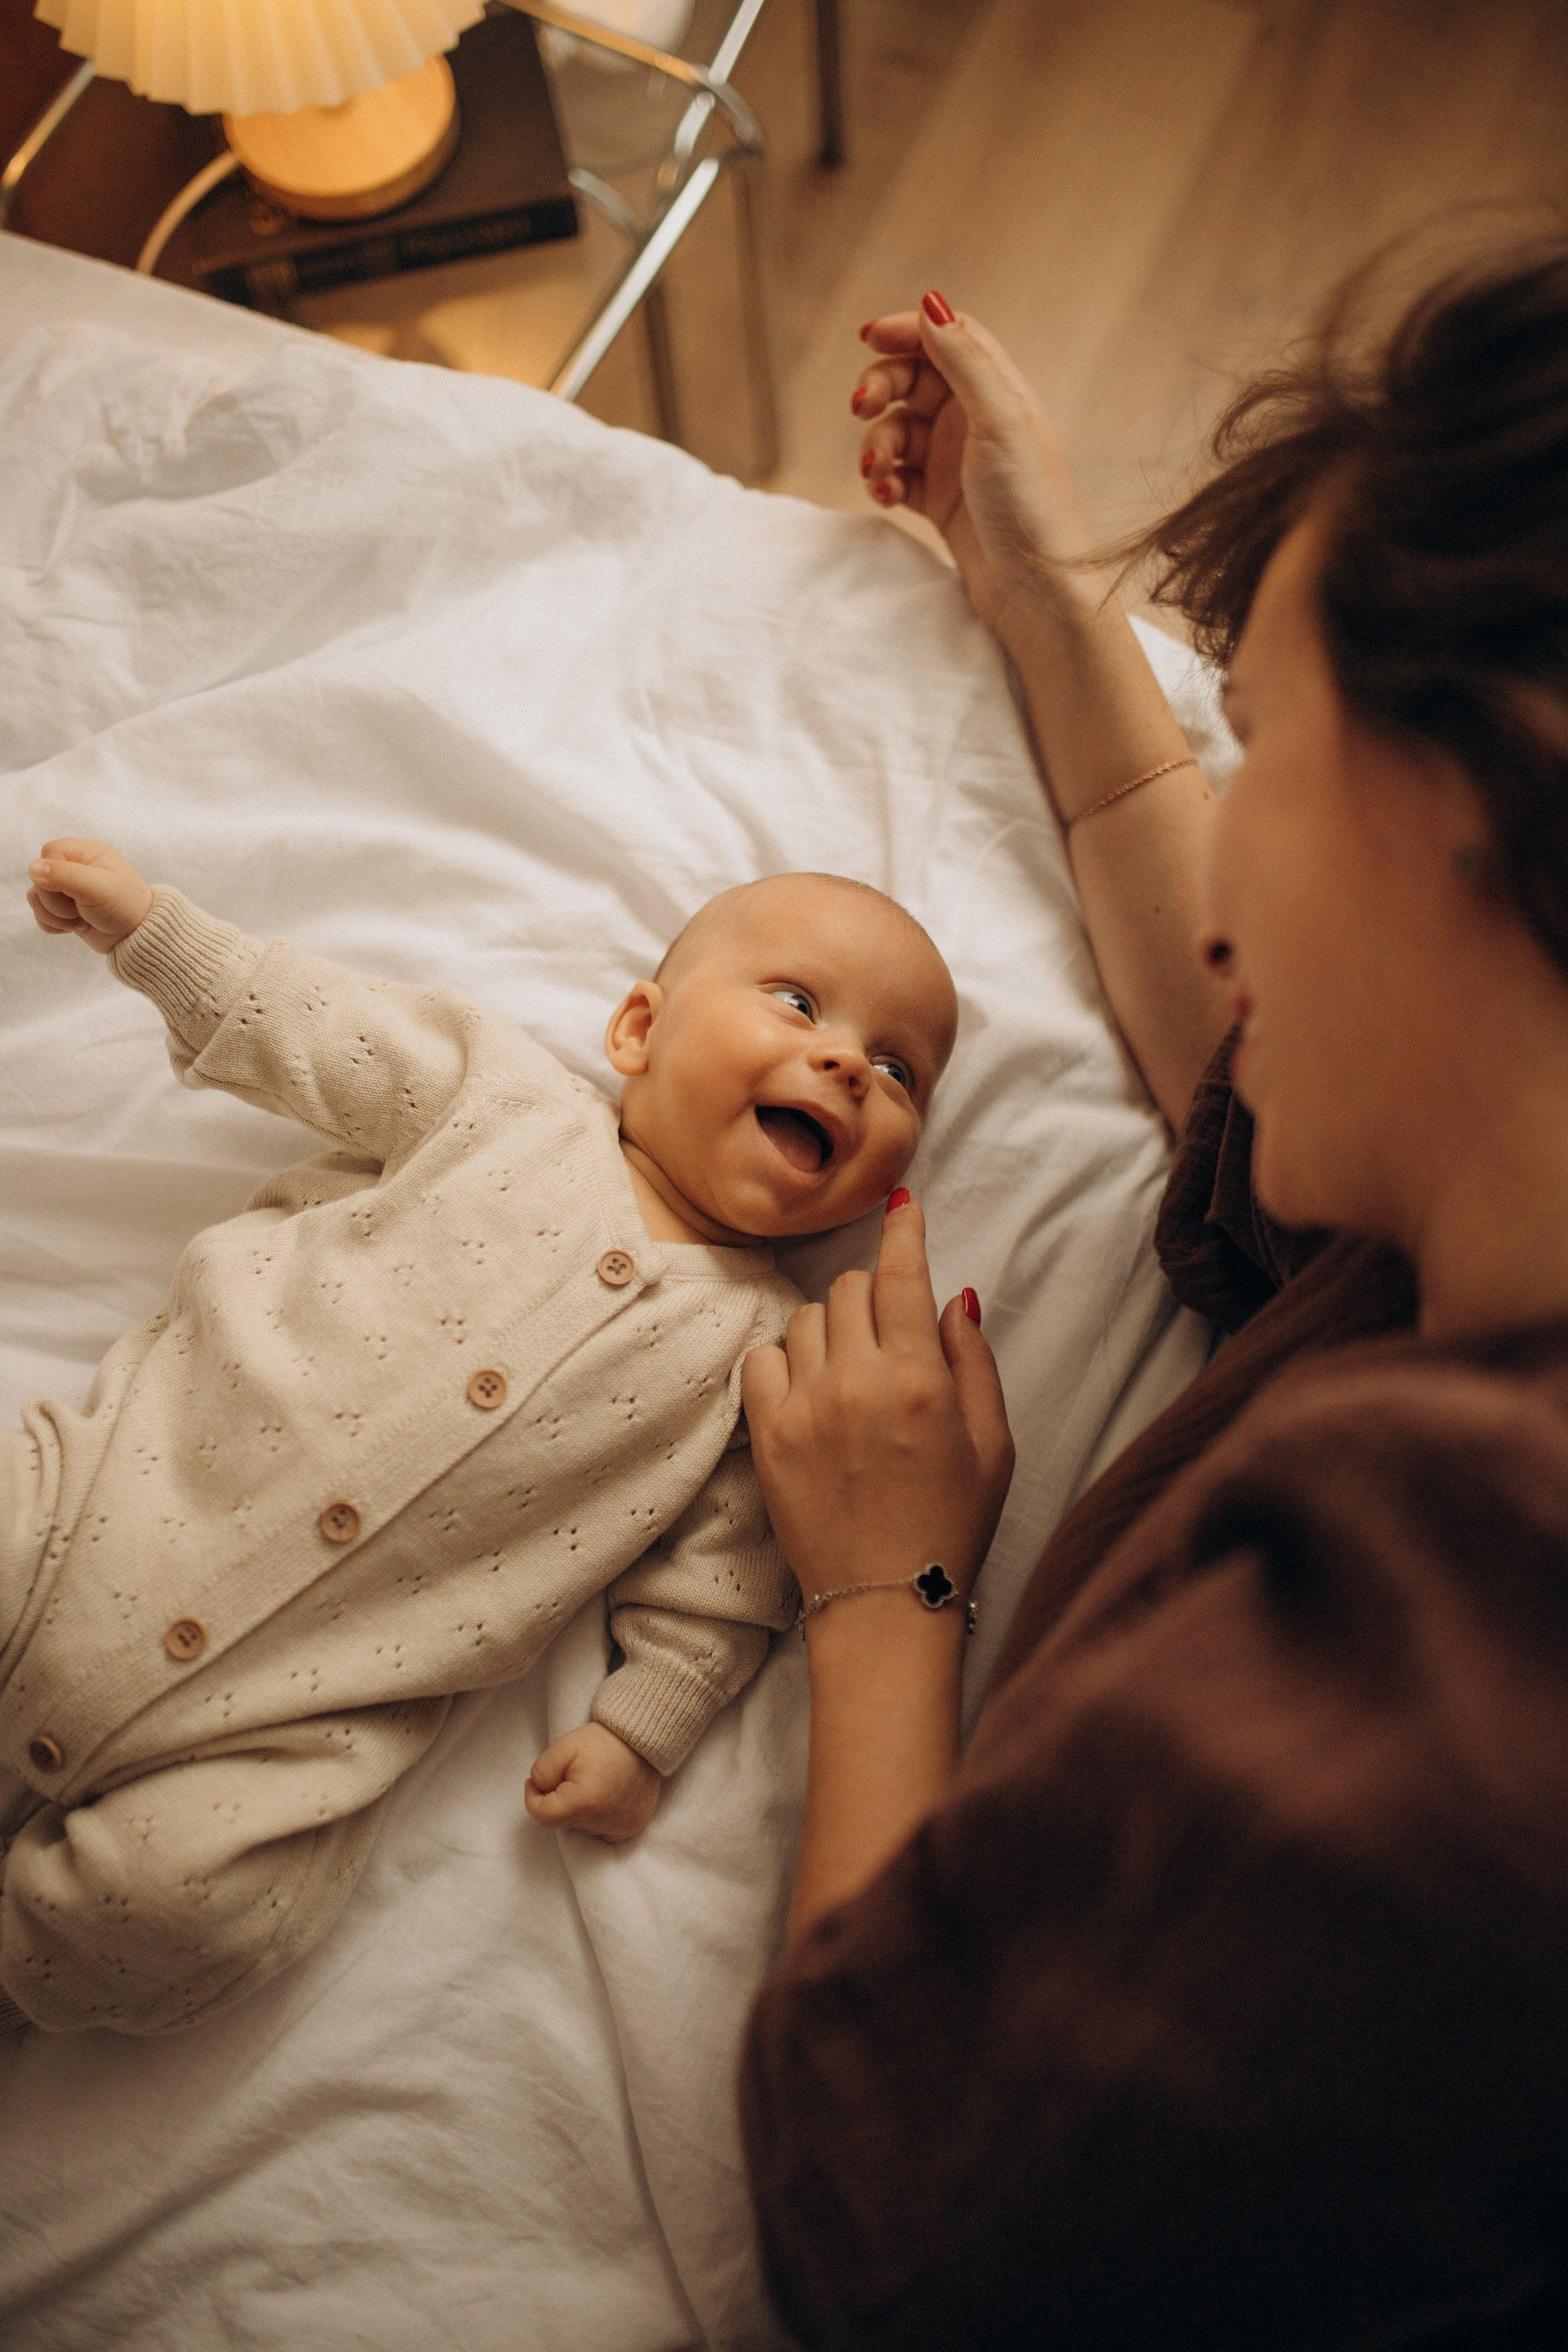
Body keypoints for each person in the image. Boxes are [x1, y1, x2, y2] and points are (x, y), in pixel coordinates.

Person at [738, 256, 1568, 2348]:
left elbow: (897, 2229)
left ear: (1460, 799)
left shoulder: (1441, 1699)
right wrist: (1036, 594)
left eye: (1259, 732)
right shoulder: (1470, 1208)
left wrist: (886, 1601)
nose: (1222, 878)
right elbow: (1260, 1033)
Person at [0, 853, 959, 2036]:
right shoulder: (498, 1099)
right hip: (88, 1516)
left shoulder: (763, 1359)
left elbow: (729, 1579)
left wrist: (641, 1733)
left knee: (186, 1913)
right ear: (638, 1028)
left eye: (898, 1069)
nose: (846, 1064)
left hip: (290, 1719)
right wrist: (156, 935)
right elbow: (317, 1032)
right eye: (800, 1003)